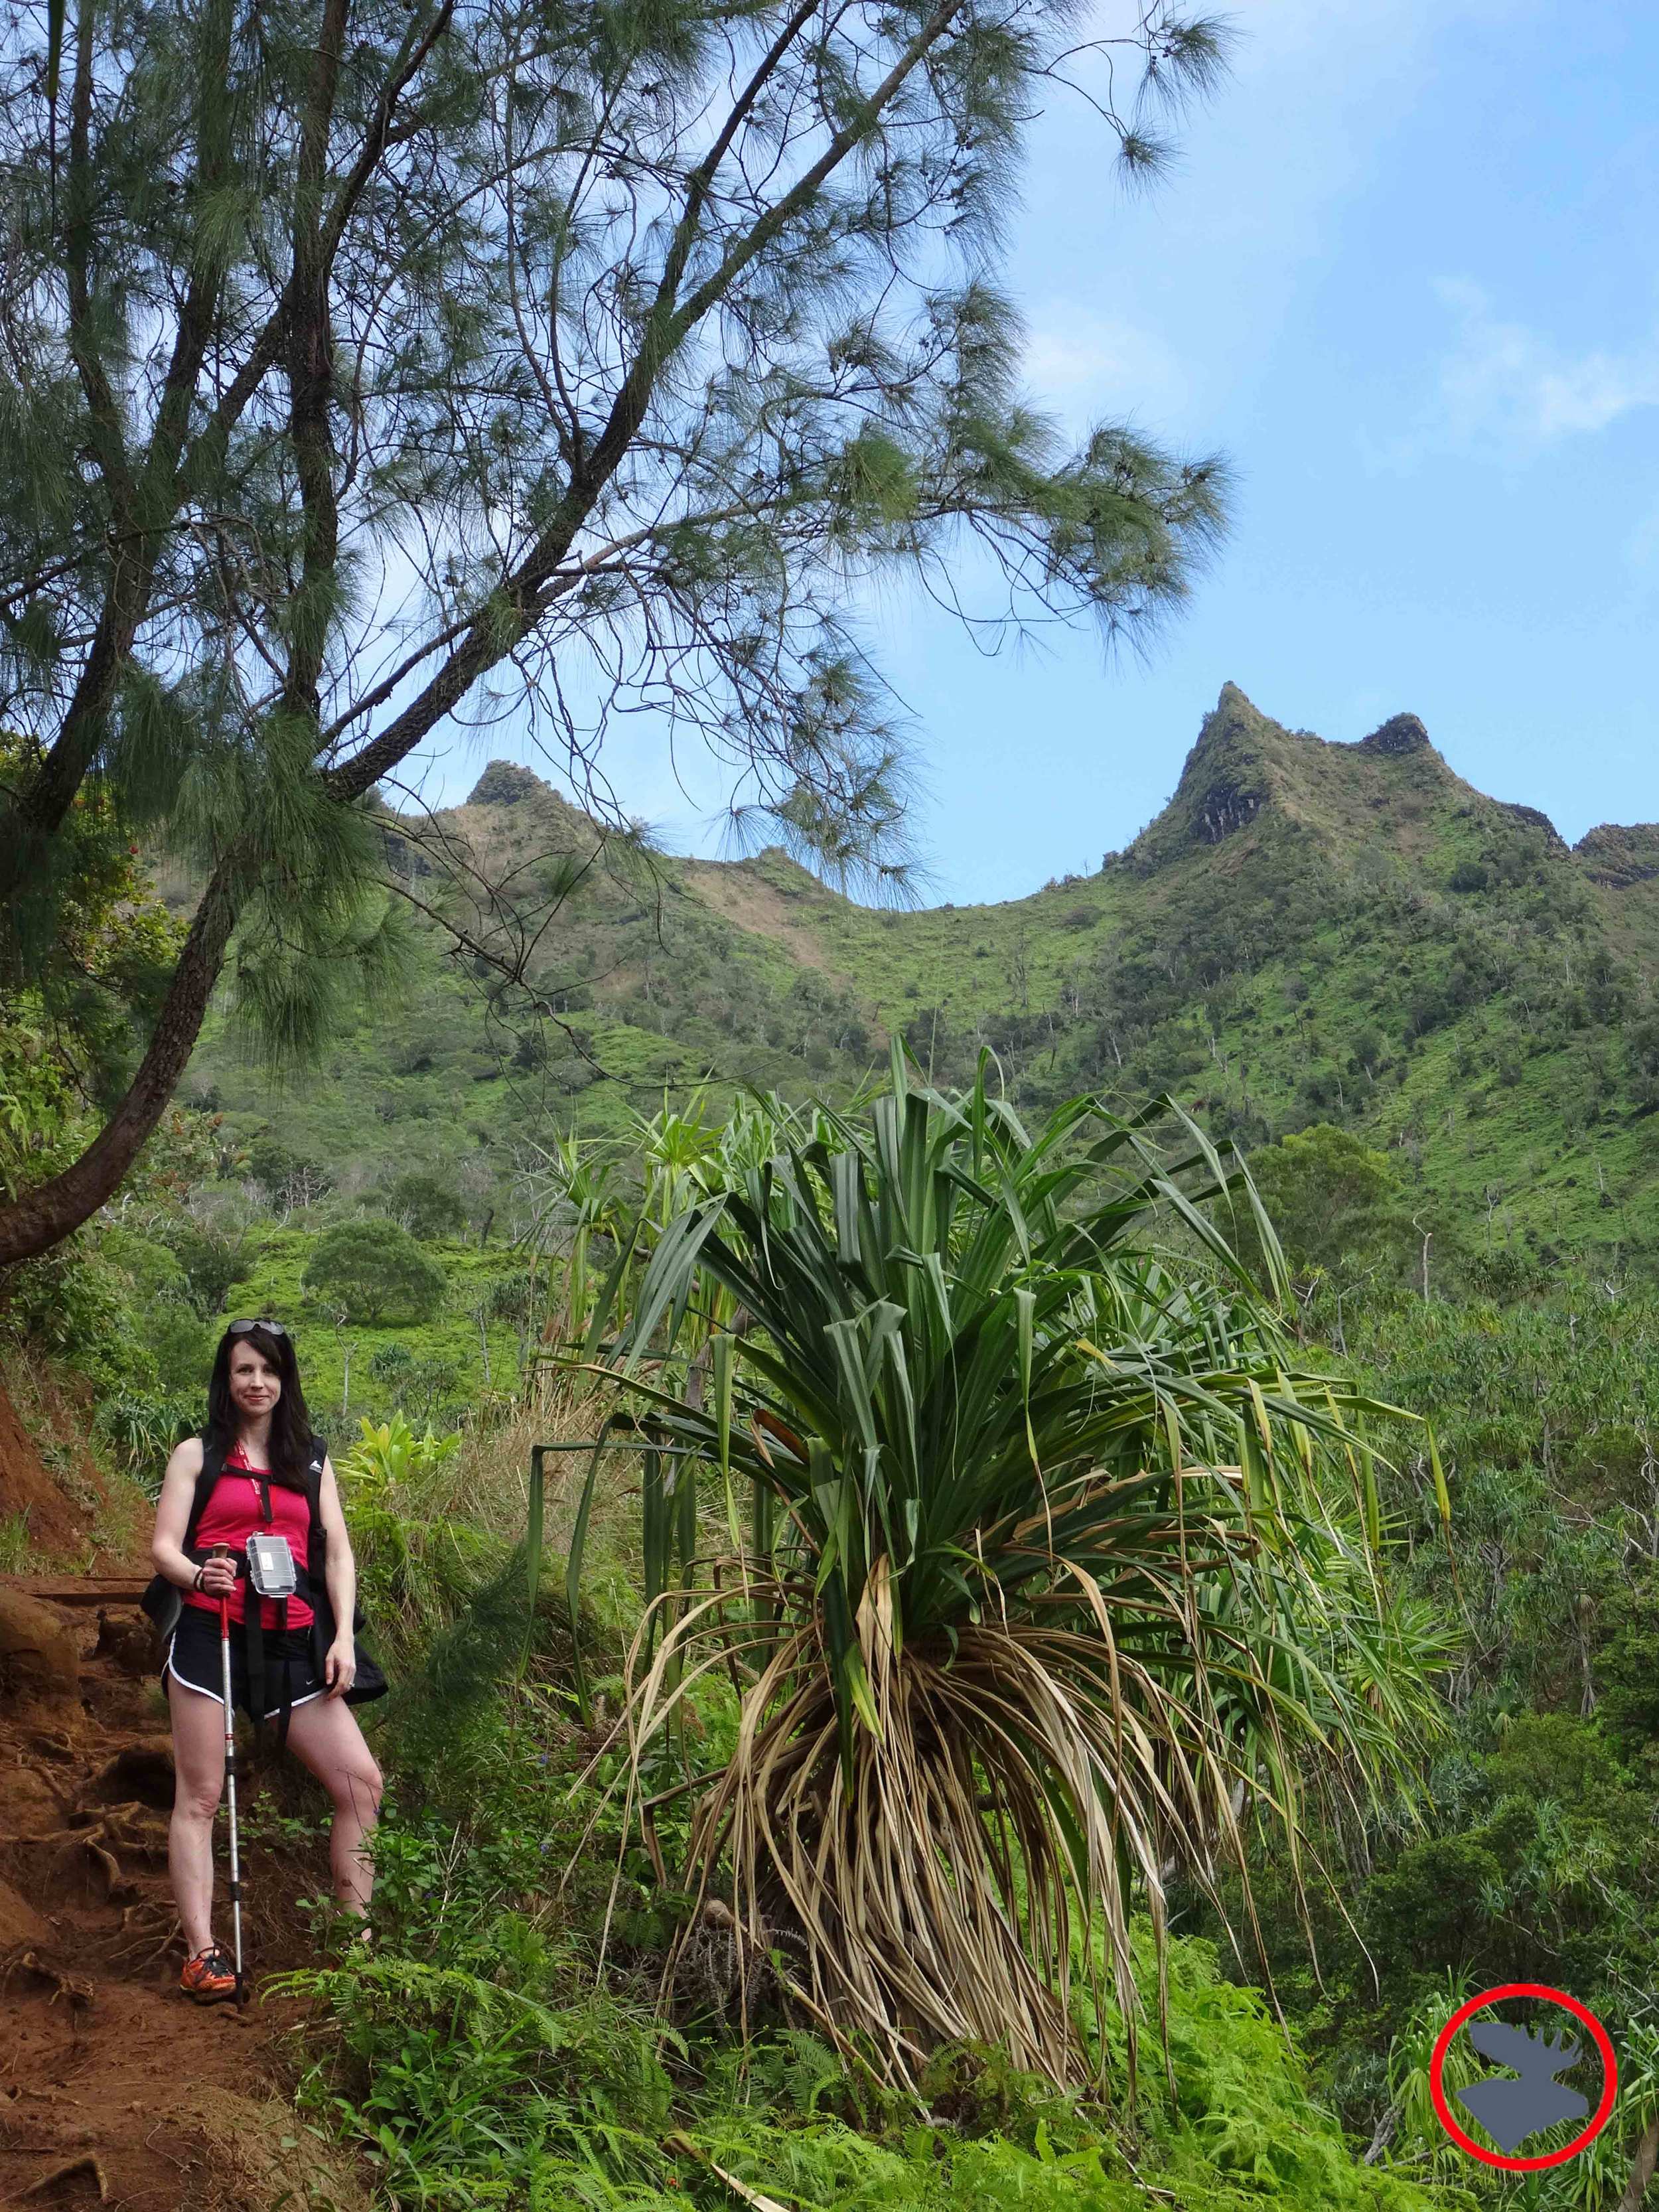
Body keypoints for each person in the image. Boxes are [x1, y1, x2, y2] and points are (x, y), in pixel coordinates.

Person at [150, 1319, 383, 2003]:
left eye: (269, 1371)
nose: (257, 1382)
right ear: (226, 1380)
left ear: (286, 1380)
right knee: (197, 1796)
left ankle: (355, 1946)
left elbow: (336, 1551)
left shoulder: (309, 1459)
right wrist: (197, 1576)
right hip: (208, 1635)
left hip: (293, 1639)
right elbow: (164, 1547)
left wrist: (342, 1637)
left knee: (361, 1785)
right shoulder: (196, 1455)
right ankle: (203, 1953)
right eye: (244, 1370)